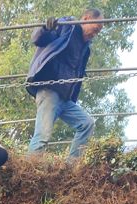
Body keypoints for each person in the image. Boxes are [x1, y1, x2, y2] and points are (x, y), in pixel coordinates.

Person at [27, 8, 104, 158]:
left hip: (65, 98)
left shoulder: (85, 48)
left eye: (98, 32)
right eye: (95, 29)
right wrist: (45, 28)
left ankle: (71, 169)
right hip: (50, 91)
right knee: (42, 135)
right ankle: (28, 174)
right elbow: (38, 39)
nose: (95, 34)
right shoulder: (67, 26)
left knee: (87, 124)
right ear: (86, 19)